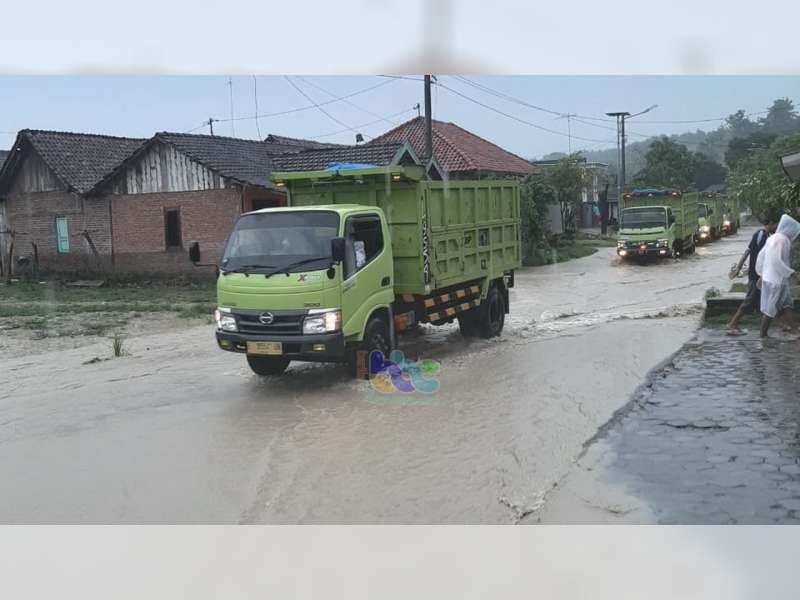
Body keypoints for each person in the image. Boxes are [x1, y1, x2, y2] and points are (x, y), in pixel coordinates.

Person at [727, 217, 778, 333]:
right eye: (776, 225)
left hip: (761, 274)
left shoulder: (766, 236)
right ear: (770, 223)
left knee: (766, 300)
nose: (777, 228)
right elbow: (749, 252)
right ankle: (732, 323)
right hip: (756, 274)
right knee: (750, 300)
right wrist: (738, 268)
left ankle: (785, 324)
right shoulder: (761, 235)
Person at [755, 214, 800, 338]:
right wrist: (792, 273)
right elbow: (776, 260)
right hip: (776, 280)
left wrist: (761, 274)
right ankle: (763, 334)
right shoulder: (782, 240)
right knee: (770, 309)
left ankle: (795, 330)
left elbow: (761, 256)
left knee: (786, 304)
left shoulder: (773, 238)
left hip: (774, 278)